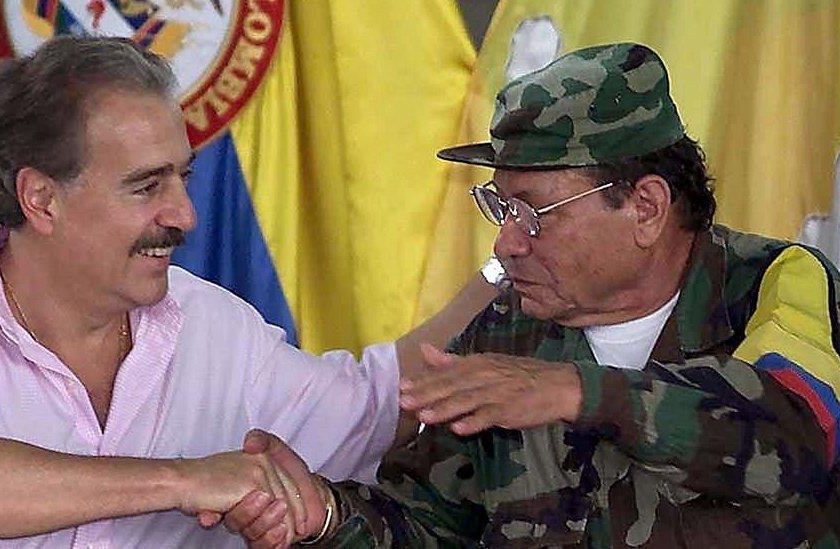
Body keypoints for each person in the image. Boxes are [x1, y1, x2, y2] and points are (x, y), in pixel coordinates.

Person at [0, 36, 497, 548]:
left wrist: (504, 267)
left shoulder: (212, 323)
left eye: (184, 178)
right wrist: (184, 480)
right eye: (146, 187)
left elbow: (380, 405)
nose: (186, 216)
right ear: (41, 198)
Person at [227, 42, 840, 547]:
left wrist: (573, 391)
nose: (506, 244)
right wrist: (327, 518)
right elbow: (436, 525)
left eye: (534, 213)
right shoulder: (503, 333)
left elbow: (799, 437)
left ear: (646, 208)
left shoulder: (778, 284)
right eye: (501, 207)